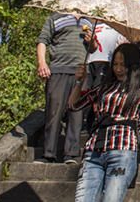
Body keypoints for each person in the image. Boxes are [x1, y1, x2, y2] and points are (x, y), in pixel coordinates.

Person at [67, 43, 140, 202]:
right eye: (115, 64)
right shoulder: (104, 88)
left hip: (123, 151)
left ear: (133, 66)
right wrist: (79, 82)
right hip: (93, 151)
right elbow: (73, 105)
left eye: (123, 65)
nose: (118, 69)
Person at [36, 12, 95, 165]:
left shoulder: (88, 20)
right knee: (53, 112)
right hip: (57, 70)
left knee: (76, 113)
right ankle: (48, 154)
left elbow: (93, 49)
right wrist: (42, 63)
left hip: (80, 72)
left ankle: (71, 154)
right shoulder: (55, 17)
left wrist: (92, 42)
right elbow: (42, 41)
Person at [84, 23, 128, 131]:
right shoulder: (89, 23)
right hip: (89, 61)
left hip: (107, 62)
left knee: (99, 93)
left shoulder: (114, 25)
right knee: (87, 93)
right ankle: (86, 122)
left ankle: (95, 123)